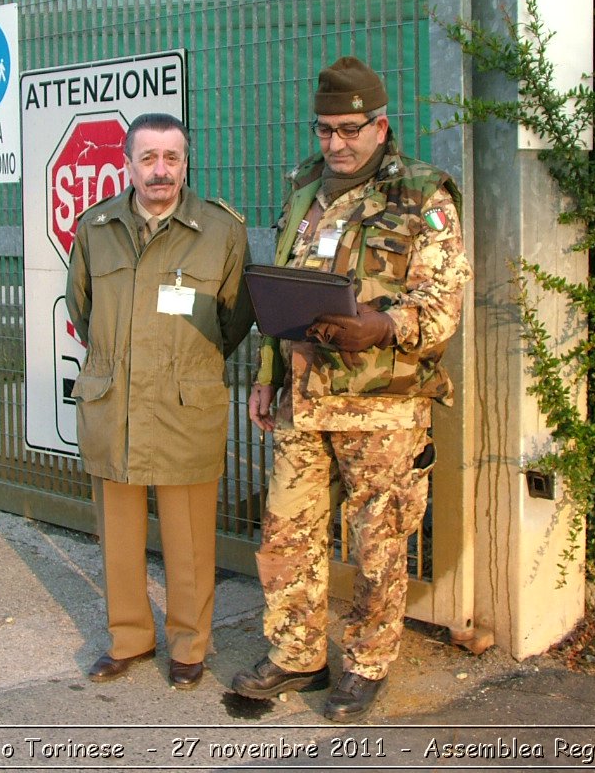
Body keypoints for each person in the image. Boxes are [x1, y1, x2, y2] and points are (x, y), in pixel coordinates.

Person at [230, 56, 472, 722]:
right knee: (287, 532)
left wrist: (383, 325)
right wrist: (266, 376)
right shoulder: (306, 188)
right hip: (303, 401)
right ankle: (296, 652)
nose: (336, 144)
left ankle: (366, 662)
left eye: (349, 129)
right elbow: (281, 282)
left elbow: (444, 305)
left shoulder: (423, 196)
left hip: (383, 409)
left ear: (380, 125)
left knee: (377, 545)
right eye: (325, 130)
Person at [65, 112, 254, 691]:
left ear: (186, 161)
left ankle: (189, 647)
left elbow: (235, 318)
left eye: (172, 158)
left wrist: (182, 364)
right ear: (128, 164)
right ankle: (128, 638)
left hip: (183, 403)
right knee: (118, 534)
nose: (160, 171)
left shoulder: (221, 232)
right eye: (148, 158)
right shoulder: (95, 227)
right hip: (116, 404)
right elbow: (83, 309)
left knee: (189, 537)